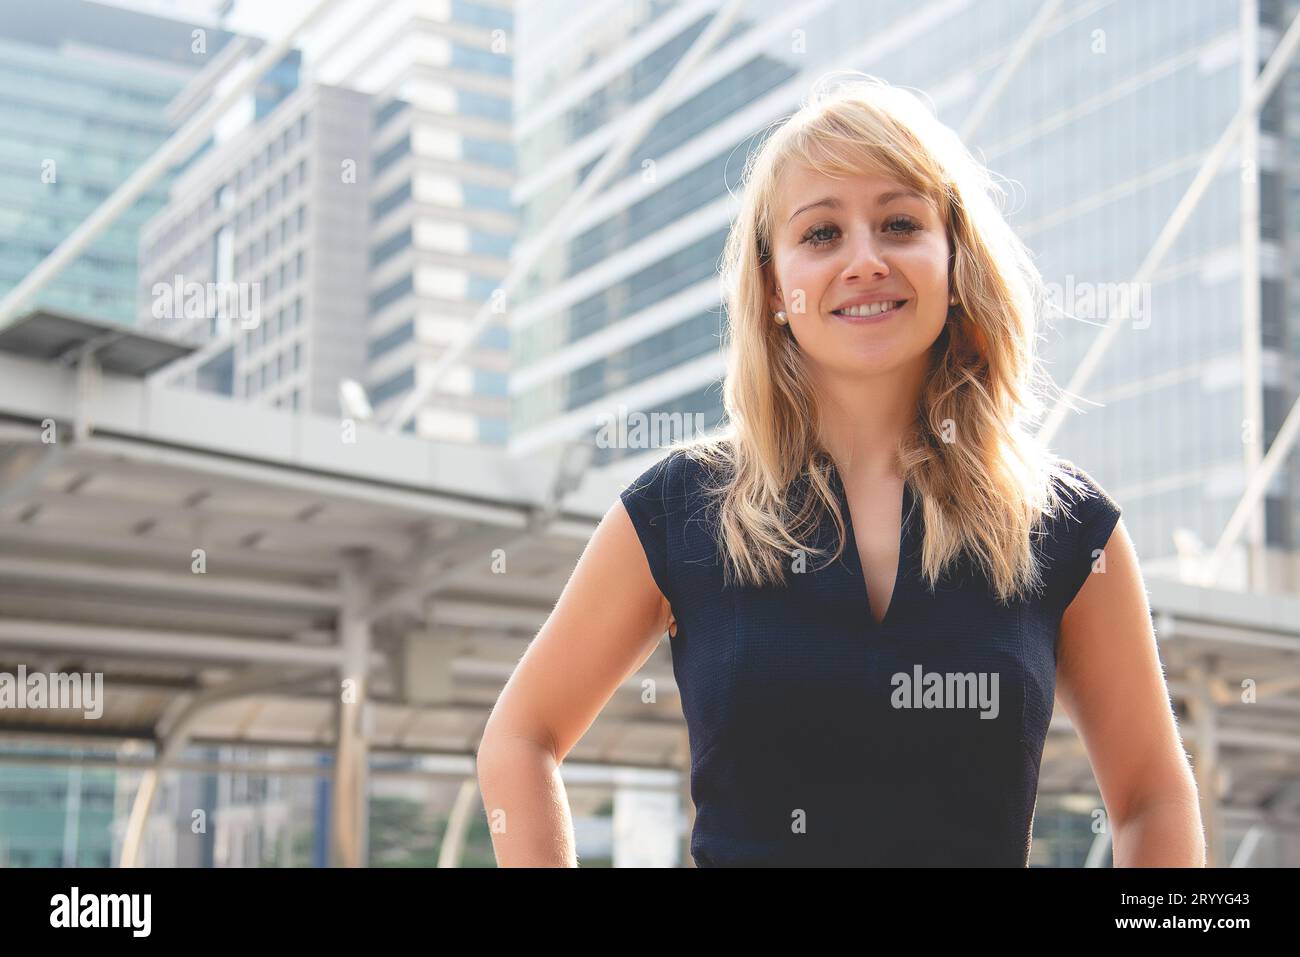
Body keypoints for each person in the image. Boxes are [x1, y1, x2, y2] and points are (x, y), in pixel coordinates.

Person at [476, 73, 1205, 867]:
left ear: (955, 259)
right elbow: (520, 738)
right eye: (821, 234)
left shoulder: (1066, 527)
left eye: (899, 223)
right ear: (772, 286)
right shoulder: (681, 509)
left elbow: (1152, 797)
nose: (865, 260)